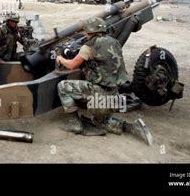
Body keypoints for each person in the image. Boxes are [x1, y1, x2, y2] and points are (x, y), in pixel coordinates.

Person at [55, 17, 152, 145]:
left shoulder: (89, 46)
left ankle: (75, 124)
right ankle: (131, 127)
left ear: (90, 31)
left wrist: (60, 58)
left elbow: (72, 65)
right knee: (101, 122)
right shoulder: (115, 42)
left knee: (62, 86)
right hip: (114, 97)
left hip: (99, 97)